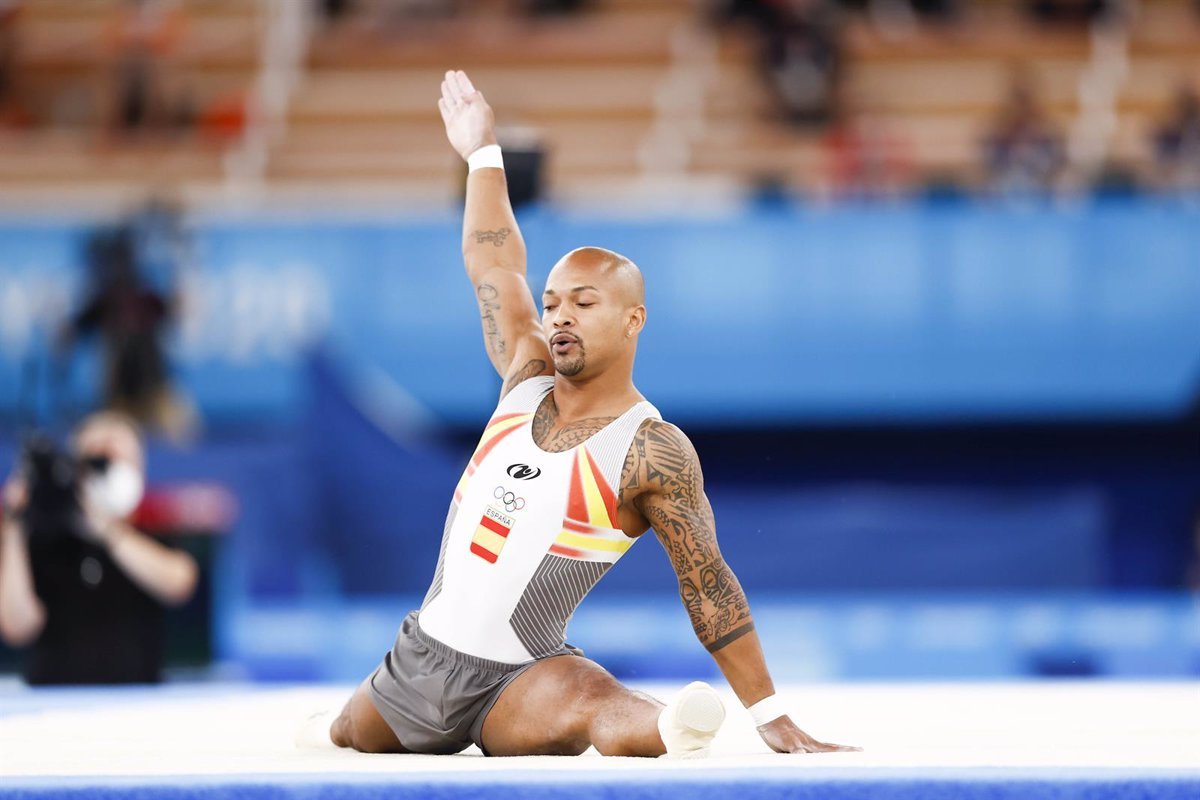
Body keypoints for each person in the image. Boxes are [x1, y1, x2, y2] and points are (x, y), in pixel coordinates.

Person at [296, 70, 858, 758]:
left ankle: (669, 727)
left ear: (632, 320)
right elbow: (493, 260)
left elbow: (708, 582)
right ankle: (347, 718)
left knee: (595, 698)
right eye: (555, 301)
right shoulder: (523, 376)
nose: (559, 315)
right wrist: (481, 153)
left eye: (583, 303)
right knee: (337, 737)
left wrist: (769, 713)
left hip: (520, 684)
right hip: (416, 659)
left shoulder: (650, 450)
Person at [0, 411, 197, 684]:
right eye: (95, 459)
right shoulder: (45, 536)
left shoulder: (150, 531)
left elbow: (180, 583)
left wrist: (106, 530)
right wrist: (14, 525)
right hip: (55, 704)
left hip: (137, 705)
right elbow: (17, 626)